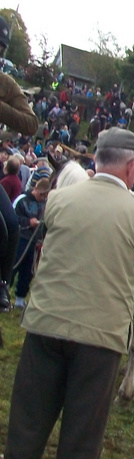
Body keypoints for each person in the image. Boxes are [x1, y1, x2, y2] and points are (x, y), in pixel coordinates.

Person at [0, 128, 134, 459]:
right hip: (100, 339)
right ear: (131, 167)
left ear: (97, 161)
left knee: (26, 428)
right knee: (80, 438)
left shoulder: (57, 200)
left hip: (45, 324)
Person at [0, 16, 38, 311]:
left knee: (11, 225)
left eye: (2, 47)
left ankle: (1, 283)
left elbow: (31, 123)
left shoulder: (5, 83)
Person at [11, 168, 51, 308]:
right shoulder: (21, 200)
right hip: (20, 239)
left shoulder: (46, 204)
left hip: (34, 242)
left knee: (27, 272)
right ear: (36, 189)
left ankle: (20, 299)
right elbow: (12, 218)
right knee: (12, 267)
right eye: (41, 195)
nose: (42, 198)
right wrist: (28, 222)